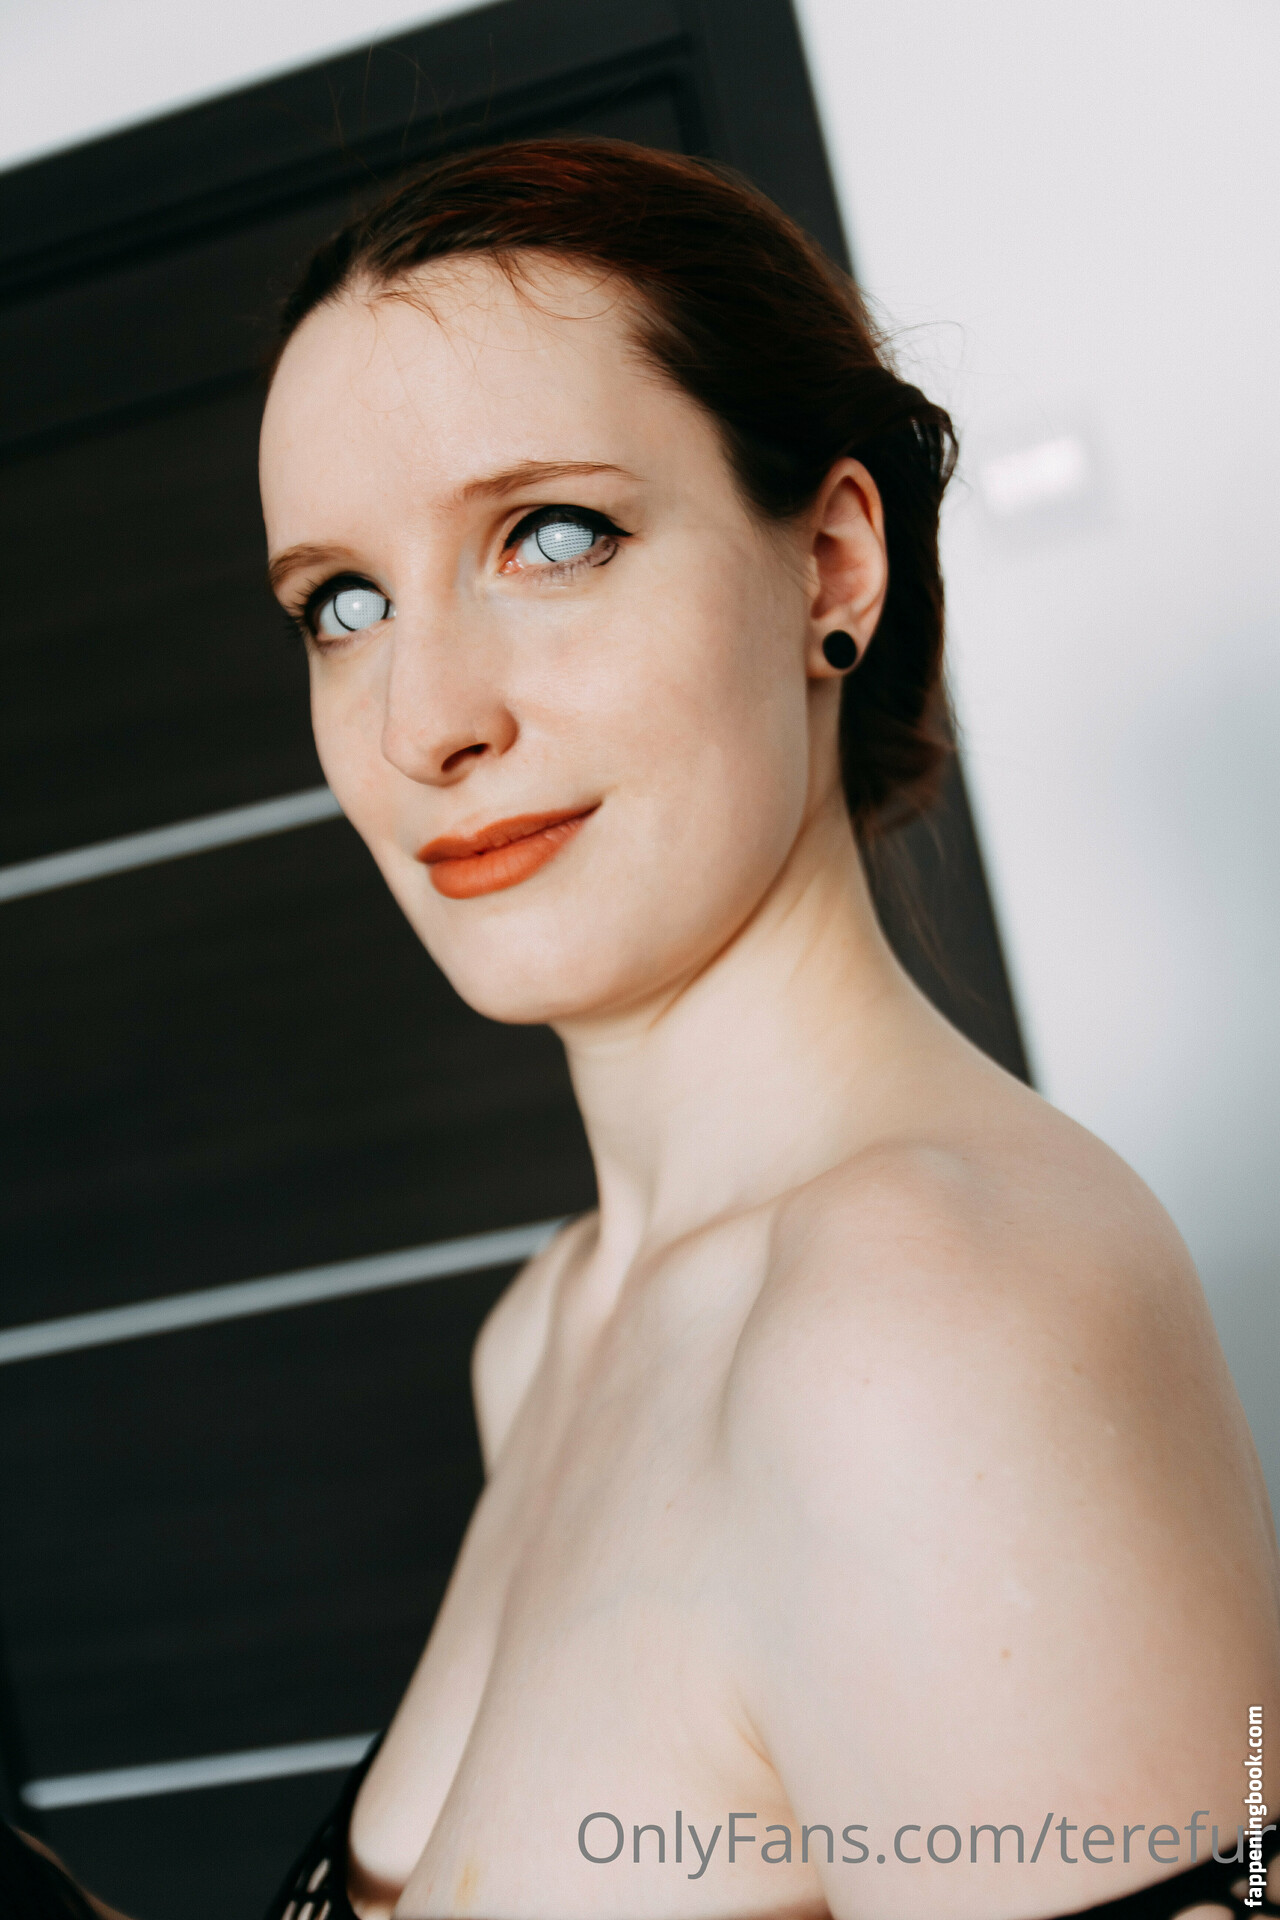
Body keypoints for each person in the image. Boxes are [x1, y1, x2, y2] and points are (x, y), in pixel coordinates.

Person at [5, 136, 1277, 1920]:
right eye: (342, 604)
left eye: (551, 535)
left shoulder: (927, 1317)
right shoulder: (551, 1329)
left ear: (830, 562)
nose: (426, 719)